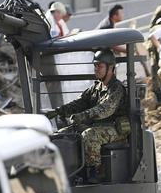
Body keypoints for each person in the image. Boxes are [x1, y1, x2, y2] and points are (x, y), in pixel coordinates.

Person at [45, 50, 129, 183]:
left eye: (100, 66)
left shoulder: (116, 88)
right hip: (98, 126)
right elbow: (79, 103)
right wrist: (58, 111)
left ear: (111, 68)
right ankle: (65, 171)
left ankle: (93, 172)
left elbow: (105, 109)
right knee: (62, 135)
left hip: (116, 129)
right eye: (95, 66)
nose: (96, 69)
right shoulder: (96, 87)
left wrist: (82, 116)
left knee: (90, 135)